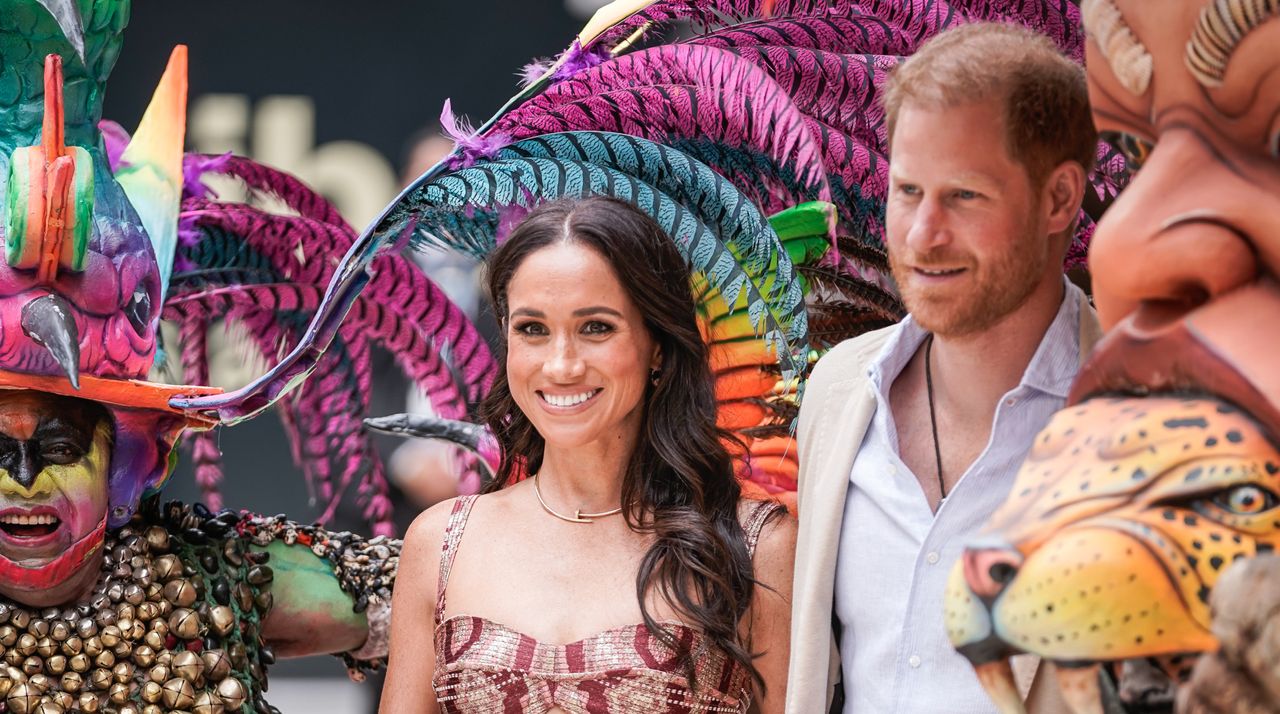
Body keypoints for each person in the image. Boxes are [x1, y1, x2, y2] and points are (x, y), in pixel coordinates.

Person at [787, 23, 1101, 714]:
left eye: (964, 196)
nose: (923, 234)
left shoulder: (1141, 413)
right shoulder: (839, 391)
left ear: (1058, 199)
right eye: (907, 191)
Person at [382, 196, 796, 713]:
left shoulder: (757, 546)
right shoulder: (440, 543)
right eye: (532, 329)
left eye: (596, 327)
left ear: (659, 345)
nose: (561, 366)